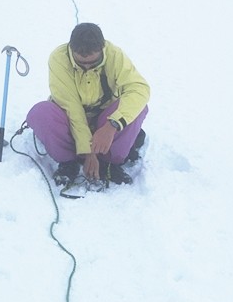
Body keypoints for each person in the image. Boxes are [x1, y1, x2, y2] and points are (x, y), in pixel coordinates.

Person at [26, 23, 150, 186]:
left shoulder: (115, 55)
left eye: (93, 64)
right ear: (71, 49)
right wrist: (88, 152)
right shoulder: (58, 58)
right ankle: (68, 162)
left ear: (102, 48)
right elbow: (71, 107)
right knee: (40, 112)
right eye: (81, 64)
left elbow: (139, 88)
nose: (87, 67)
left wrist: (112, 125)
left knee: (138, 108)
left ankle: (109, 163)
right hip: (70, 119)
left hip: (105, 118)